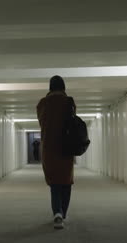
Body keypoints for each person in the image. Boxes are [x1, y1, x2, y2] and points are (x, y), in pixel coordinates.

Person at [36, 75, 76, 230]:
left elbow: (42, 122)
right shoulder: (69, 102)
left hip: (49, 149)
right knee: (66, 182)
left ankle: (57, 213)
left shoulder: (42, 104)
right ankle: (63, 213)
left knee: (55, 183)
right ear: (63, 86)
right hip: (66, 147)